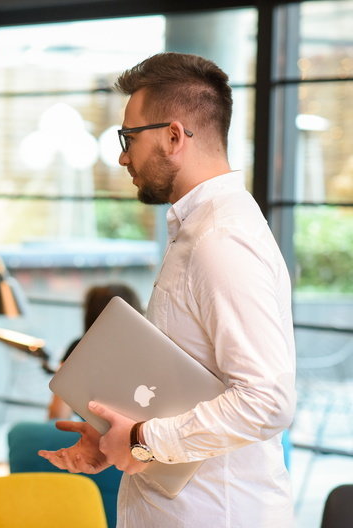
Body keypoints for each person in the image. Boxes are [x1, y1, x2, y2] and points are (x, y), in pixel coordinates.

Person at [39, 52, 296, 527]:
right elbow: (191, 383)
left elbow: (268, 400)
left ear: (174, 136)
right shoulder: (199, 231)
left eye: (129, 137)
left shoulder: (221, 241)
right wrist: (118, 436)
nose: (121, 155)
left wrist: (142, 440)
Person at [47, 284, 142, 420]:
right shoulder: (144, 354)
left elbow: (58, 414)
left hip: (90, 433)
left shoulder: (79, 348)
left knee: (19, 432)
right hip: (137, 433)